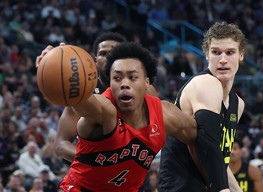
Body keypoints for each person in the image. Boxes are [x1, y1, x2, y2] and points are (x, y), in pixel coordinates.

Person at [37, 42, 198, 191]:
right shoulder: (102, 108)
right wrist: (57, 68)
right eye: (117, 78)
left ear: (146, 81)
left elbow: (196, 136)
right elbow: (78, 100)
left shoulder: (162, 112)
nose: (124, 83)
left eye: (132, 77)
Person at [159, 21, 247, 192]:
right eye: (216, 52)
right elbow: (207, 143)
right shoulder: (206, 83)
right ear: (206, 54)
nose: (223, 60)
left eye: (230, 53)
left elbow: (219, 161)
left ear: (241, 55)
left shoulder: (237, 104)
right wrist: (222, 189)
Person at [36, 32, 127, 163]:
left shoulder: (140, 89)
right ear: (95, 61)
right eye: (102, 54)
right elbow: (60, 145)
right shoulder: (81, 91)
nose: (108, 57)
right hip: (90, 174)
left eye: (115, 52)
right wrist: (96, 161)